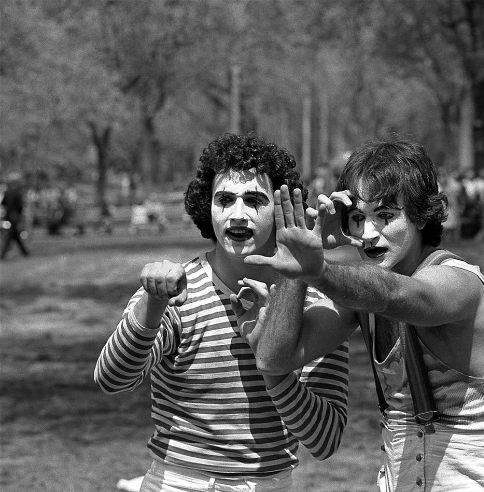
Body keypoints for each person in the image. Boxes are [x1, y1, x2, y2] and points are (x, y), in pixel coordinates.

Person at [243, 140, 484, 490]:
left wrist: (320, 272)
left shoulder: (460, 283)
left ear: (420, 215)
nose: (369, 233)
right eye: (358, 218)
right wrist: (294, 267)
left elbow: (395, 293)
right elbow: (273, 358)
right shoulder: (358, 295)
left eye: (385, 216)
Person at [94, 133, 349, 491]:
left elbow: (325, 441)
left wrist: (272, 359)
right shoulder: (176, 291)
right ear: (207, 208)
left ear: (280, 211)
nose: (237, 214)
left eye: (254, 200)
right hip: (177, 481)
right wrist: (151, 307)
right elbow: (111, 379)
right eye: (225, 199)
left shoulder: (310, 304)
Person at [1, 172, 30, 260]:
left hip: (9, 216)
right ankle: (24, 252)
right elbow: (20, 206)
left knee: (13, 235)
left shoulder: (7, 192)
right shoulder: (17, 193)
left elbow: (3, 204)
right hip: (15, 217)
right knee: (13, 235)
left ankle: (4, 253)